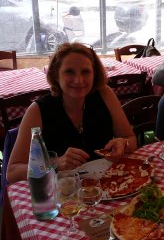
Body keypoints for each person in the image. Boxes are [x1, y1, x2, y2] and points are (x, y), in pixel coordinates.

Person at [7, 43, 137, 184]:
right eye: (69, 71)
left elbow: (130, 138)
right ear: (56, 75)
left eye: (85, 72)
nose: (78, 80)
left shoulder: (105, 94)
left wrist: (123, 143)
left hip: (109, 185)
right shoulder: (38, 110)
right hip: (65, 194)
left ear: (94, 74)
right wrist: (55, 164)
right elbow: (13, 172)